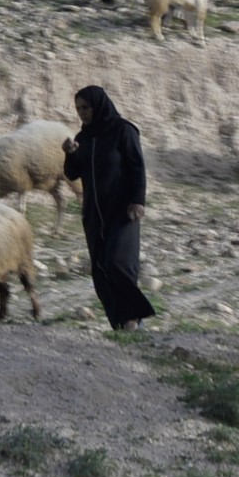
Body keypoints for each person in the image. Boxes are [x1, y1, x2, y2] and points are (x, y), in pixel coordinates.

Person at [62, 85, 155, 332]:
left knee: (118, 264)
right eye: (78, 109)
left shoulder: (124, 131)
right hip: (94, 215)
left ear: (98, 105)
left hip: (123, 211)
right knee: (101, 270)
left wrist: (138, 200)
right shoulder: (83, 139)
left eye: (86, 107)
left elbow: (137, 167)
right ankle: (119, 323)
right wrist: (70, 154)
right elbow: (73, 173)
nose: (82, 112)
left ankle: (133, 318)